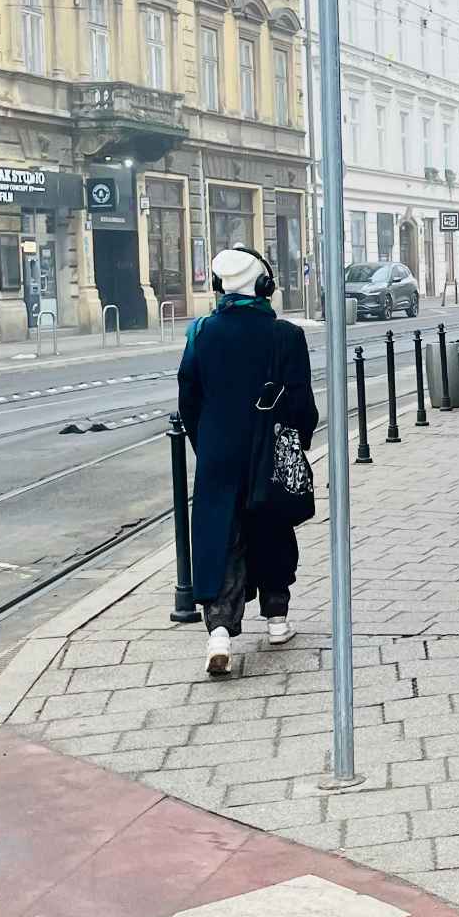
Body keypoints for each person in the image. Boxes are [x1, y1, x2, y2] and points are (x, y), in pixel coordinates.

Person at [177, 245, 318, 678]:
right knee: (271, 526)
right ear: (266, 286)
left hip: (219, 451)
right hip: (268, 449)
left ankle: (219, 633)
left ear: (219, 287)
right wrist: (297, 442)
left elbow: (189, 399)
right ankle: (277, 621)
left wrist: (210, 443)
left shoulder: (200, 333)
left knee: (222, 535)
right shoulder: (287, 336)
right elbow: (302, 405)